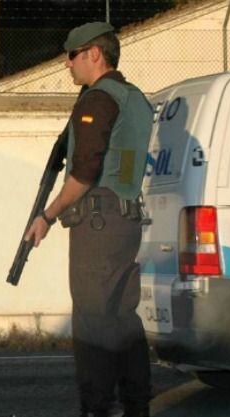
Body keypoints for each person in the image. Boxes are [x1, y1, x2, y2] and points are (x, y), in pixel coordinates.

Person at [23, 22, 153, 417]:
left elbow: (83, 173)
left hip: (97, 225)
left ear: (94, 54)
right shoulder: (135, 99)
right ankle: (136, 405)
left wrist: (47, 215)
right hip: (125, 221)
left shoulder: (98, 100)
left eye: (73, 54)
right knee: (121, 319)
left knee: (93, 326)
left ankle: (97, 409)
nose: (67, 63)